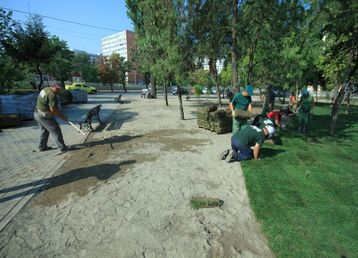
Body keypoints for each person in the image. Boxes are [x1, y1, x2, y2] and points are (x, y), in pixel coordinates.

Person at [34, 83, 69, 153]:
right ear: (54, 87)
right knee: (56, 130)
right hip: (44, 115)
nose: (59, 91)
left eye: (60, 89)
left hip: (37, 113)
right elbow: (53, 110)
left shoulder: (45, 89)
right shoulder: (52, 95)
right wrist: (63, 117)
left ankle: (42, 147)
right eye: (58, 89)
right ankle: (62, 148)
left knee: (44, 131)